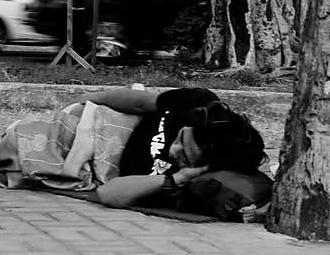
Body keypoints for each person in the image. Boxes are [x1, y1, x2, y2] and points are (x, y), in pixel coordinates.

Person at [66, 86, 267, 211]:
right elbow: (140, 103)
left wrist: (180, 177)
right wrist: (90, 97)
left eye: (185, 157)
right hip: (94, 122)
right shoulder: (197, 103)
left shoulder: (186, 181)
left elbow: (108, 193)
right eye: (181, 139)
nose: (174, 151)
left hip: (90, 156)